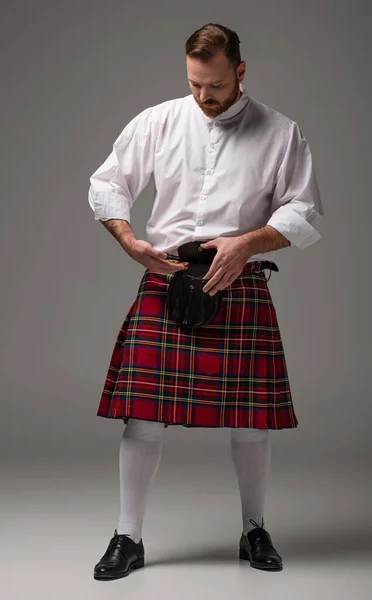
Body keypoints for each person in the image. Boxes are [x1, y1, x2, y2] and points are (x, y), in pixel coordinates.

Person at [88, 23, 323, 580]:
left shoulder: (281, 132)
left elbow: (304, 211)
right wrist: (127, 238)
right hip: (167, 275)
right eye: (195, 83)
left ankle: (254, 529)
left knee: (252, 421)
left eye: (214, 84)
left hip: (236, 280)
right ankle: (128, 537)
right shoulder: (160, 120)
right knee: (142, 415)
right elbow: (107, 182)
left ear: (240, 71)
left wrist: (247, 242)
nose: (204, 96)